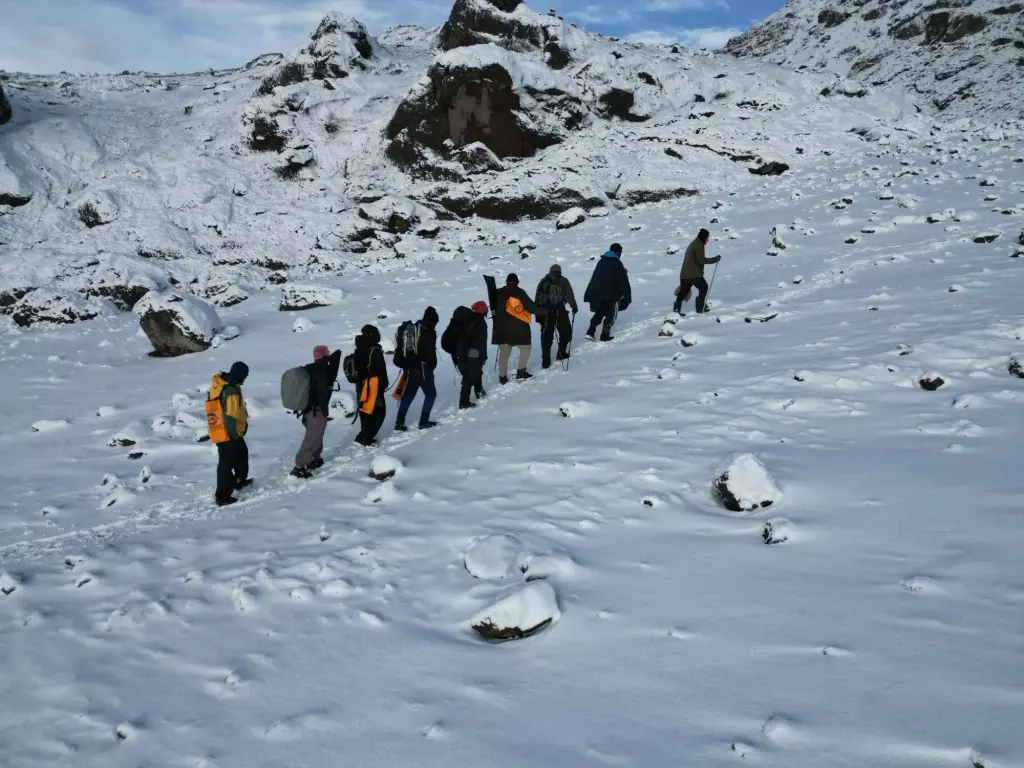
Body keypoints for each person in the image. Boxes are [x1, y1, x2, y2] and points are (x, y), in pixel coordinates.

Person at [291, 345, 342, 479]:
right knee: (311, 438)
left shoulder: (309, 369)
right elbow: (322, 394)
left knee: (317, 435)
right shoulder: (321, 372)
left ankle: (314, 458)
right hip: (316, 411)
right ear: (325, 356)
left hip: (309, 410)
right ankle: (299, 467)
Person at [206, 361, 251, 507]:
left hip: (219, 429)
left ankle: (240, 480)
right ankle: (222, 496)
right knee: (226, 465)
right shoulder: (230, 390)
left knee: (242, 453)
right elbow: (231, 415)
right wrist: (234, 434)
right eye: (245, 375)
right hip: (228, 433)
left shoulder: (222, 383)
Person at [395, 306, 440, 431]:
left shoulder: (415, 328)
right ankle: (424, 421)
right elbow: (427, 352)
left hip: (410, 368)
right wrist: (431, 365)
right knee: (431, 394)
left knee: (409, 395)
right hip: (423, 368)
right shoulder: (427, 332)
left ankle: (399, 423)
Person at [493, 273, 543, 384]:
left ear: (506, 282)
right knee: (525, 348)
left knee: (504, 353)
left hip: (502, 329)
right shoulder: (520, 293)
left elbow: (493, 307)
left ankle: (502, 377)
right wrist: (544, 311)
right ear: (517, 282)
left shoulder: (498, 293)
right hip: (519, 329)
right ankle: (521, 372)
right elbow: (531, 308)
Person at [583, 243, 631, 341]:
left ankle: (590, 332)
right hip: (612, 295)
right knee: (612, 314)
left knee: (600, 312)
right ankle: (605, 335)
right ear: (618, 252)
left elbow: (597, 277)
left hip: (598, 294)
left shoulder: (602, 261)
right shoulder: (616, 263)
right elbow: (622, 280)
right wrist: (626, 295)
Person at [535, 264, 578, 368]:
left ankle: (545, 361)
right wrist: (574, 307)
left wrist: (537, 312)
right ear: (560, 271)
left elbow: (537, 296)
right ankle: (561, 353)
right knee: (566, 331)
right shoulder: (563, 280)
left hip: (545, 311)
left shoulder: (543, 281)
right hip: (559, 310)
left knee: (546, 335)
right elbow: (569, 295)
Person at [354, 325, 389, 446]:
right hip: (373, 386)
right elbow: (379, 370)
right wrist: (383, 384)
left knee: (366, 412)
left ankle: (366, 437)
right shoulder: (373, 350)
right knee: (379, 413)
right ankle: (363, 438)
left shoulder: (360, 347)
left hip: (361, 385)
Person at [674, 228, 720, 314]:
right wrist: (715, 259)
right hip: (694, 274)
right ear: (703, 237)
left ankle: (675, 312)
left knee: (683, 293)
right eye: (707, 238)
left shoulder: (694, 243)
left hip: (685, 274)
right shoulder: (698, 245)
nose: (707, 240)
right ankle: (700, 308)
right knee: (704, 287)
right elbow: (701, 260)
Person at [455, 301, 489, 408]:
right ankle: (464, 402)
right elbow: (481, 342)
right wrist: (483, 357)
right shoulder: (481, 324)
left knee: (475, 371)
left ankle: (478, 390)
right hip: (473, 352)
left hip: (462, 351)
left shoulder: (467, 320)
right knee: (469, 376)